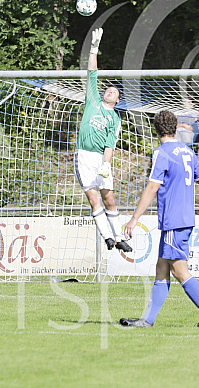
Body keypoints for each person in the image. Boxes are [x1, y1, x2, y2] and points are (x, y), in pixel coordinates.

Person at [119, 110, 199, 328]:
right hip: (184, 218)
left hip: (174, 220)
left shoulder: (162, 152)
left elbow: (152, 187)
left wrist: (134, 219)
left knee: (179, 271)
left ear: (155, 129)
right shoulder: (187, 151)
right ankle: (147, 320)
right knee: (162, 267)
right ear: (175, 127)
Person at [74, 27, 132, 253]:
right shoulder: (93, 102)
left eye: (113, 91)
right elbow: (92, 72)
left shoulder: (114, 118)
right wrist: (93, 48)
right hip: (83, 157)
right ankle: (107, 237)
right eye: (107, 89)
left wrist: (107, 164)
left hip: (100, 159)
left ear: (117, 100)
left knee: (109, 200)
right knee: (93, 199)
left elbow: (110, 144)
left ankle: (119, 236)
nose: (109, 91)